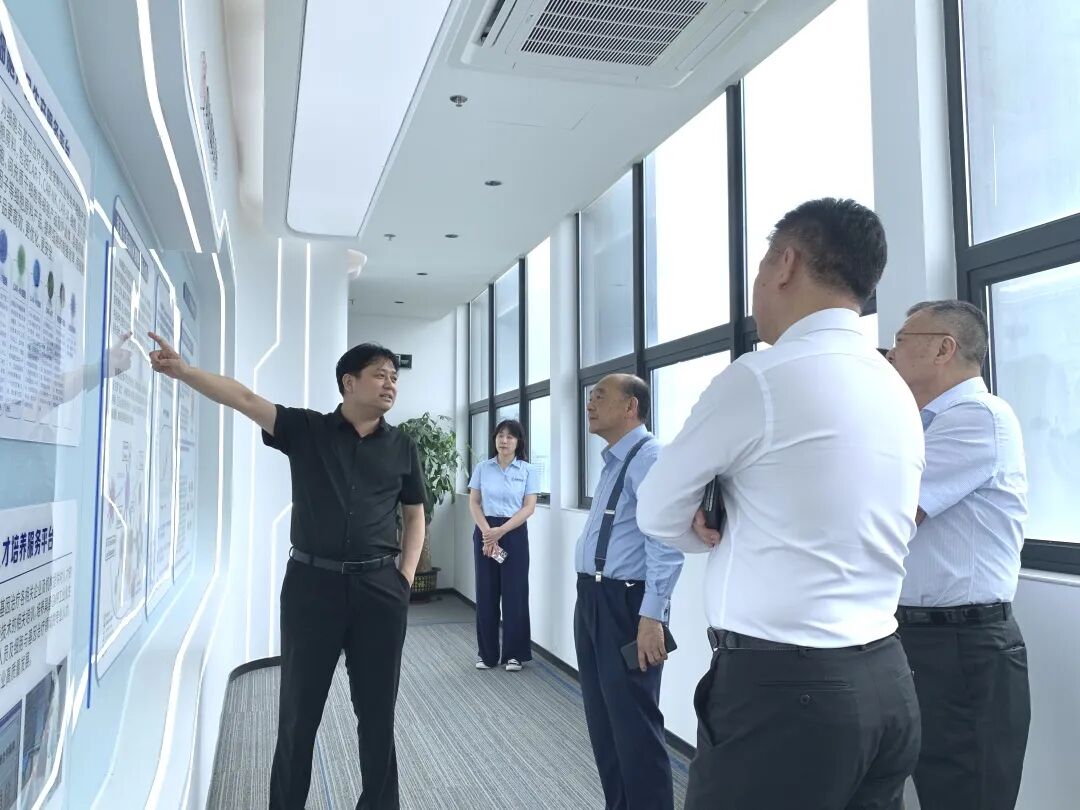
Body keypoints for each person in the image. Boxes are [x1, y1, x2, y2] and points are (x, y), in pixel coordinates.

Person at [637, 198, 925, 810]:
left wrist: (702, 533)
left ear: (787, 263)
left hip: (786, 695)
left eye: (764, 261)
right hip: (887, 681)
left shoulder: (763, 377)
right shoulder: (892, 385)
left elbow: (655, 509)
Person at [148, 334, 425, 810]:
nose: (390, 385)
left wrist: (404, 580)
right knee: (299, 715)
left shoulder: (403, 446)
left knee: (378, 715)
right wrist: (184, 371)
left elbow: (415, 515)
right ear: (349, 382)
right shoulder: (306, 429)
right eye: (380, 375)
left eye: (394, 378)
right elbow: (245, 399)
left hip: (380, 590)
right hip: (312, 589)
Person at [887, 300, 1030, 810]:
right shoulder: (922, 423)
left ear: (944, 348)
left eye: (902, 340)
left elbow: (890, 511)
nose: (890, 353)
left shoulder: (978, 417)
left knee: (966, 795)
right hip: (919, 639)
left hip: (963, 646)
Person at [575, 374, 684, 810]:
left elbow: (666, 543)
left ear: (630, 407)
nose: (590, 403)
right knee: (604, 724)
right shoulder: (614, 462)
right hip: (594, 599)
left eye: (600, 396)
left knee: (634, 726)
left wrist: (652, 615)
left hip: (626, 604)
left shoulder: (650, 458)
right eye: (590, 396)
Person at [467, 419, 540, 671]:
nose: (504, 440)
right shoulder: (482, 468)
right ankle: (486, 654)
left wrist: (501, 531)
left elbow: (528, 507)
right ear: (494, 439)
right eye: (500, 435)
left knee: (515, 594)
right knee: (486, 593)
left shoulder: (528, 470)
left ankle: (514, 654)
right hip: (485, 530)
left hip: (514, 532)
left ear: (519, 442)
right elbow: (474, 502)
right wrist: (488, 532)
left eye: (510, 436)